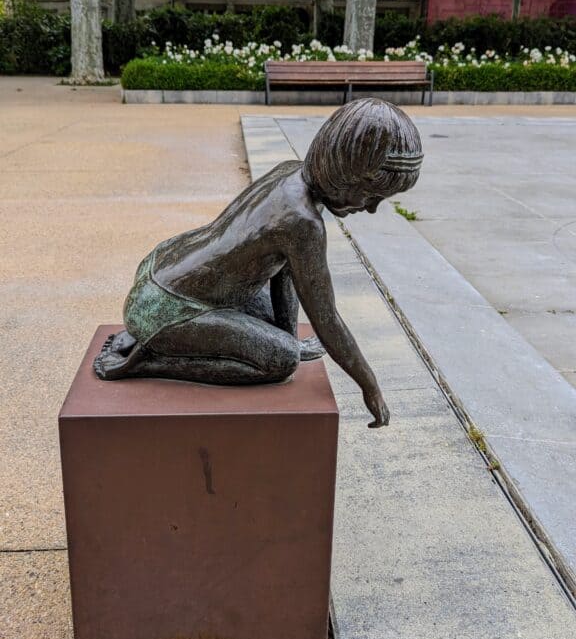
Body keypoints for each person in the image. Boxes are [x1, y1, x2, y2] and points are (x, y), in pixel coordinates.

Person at [94, 97, 423, 428]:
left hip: (161, 271)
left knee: (276, 336)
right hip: (170, 306)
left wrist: (288, 332)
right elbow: (327, 319)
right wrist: (370, 386)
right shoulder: (302, 222)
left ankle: (155, 338)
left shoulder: (290, 173)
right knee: (281, 360)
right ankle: (149, 359)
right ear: (346, 173)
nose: (371, 209)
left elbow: (286, 274)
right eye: (372, 195)